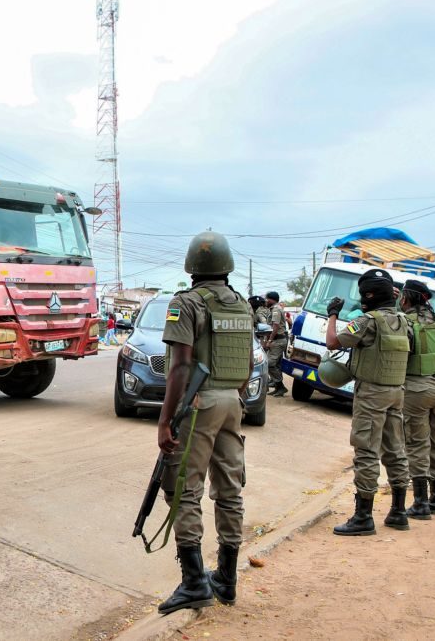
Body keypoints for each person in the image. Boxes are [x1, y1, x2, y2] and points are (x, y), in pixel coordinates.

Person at [156, 230, 253, 614]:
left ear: (191, 266)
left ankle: (195, 582)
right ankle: (226, 580)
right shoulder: (241, 305)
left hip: (199, 402)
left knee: (184, 489)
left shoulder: (187, 303)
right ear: (226, 265)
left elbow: (180, 365)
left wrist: (165, 420)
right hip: (232, 400)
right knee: (229, 490)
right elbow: (246, 365)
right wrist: (234, 395)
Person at [325, 269, 412, 536]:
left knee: (366, 451)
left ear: (368, 295)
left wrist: (333, 314)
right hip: (396, 392)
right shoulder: (403, 321)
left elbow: (332, 342)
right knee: (395, 449)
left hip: (371, 394)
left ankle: (363, 516)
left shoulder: (367, 322)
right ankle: (398, 512)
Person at [400, 280, 435, 519]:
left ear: (406, 299)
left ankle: (420, 503)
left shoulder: (406, 323)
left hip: (416, 388)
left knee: (416, 444)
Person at [263, 291, 289, 398]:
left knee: (269, 363)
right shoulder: (274, 309)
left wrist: (269, 341)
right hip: (278, 340)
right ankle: (278, 387)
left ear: (271, 299)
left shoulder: (276, 310)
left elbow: (275, 326)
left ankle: (280, 386)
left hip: (278, 340)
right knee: (276, 365)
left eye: (266, 299)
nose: (265, 301)